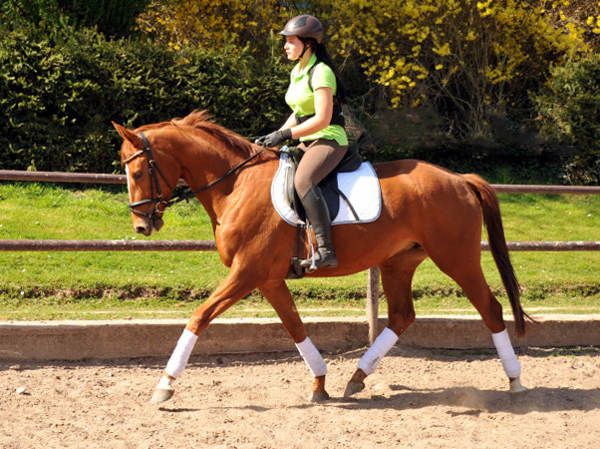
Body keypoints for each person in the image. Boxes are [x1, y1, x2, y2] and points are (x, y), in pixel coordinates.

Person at [256, 14, 348, 269]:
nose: (285, 46)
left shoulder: (321, 73)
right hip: (306, 140)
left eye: (290, 41)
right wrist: (274, 137)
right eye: (285, 41)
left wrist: (286, 135)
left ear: (308, 43)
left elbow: (322, 119)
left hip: (329, 140)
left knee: (303, 180)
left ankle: (326, 249)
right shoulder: (298, 71)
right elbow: (298, 112)